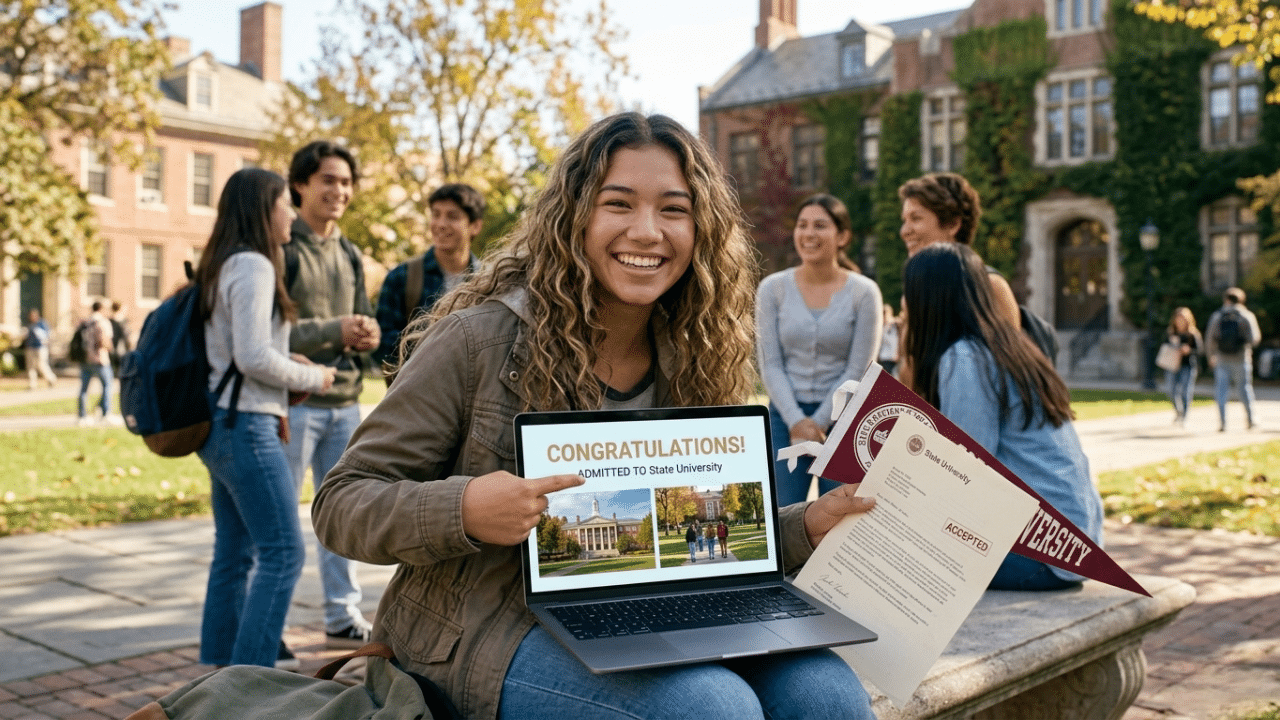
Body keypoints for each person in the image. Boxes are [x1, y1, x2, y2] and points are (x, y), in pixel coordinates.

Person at [311, 112, 877, 720]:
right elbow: (341, 502)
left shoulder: (697, 350)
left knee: (826, 691)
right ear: (576, 214)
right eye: (619, 204)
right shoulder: (481, 339)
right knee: (711, 708)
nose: (647, 231)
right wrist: (467, 507)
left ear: (702, 228)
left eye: (673, 209)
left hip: (659, 607)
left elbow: (690, 529)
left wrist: (803, 526)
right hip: (489, 629)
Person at [192, 168, 335, 669]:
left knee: (234, 553)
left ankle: (219, 674)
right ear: (261, 208)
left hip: (222, 422)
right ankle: (252, 675)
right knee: (283, 553)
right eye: (284, 203)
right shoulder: (252, 264)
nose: (292, 213)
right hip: (246, 425)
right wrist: (314, 379)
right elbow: (253, 357)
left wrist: (290, 368)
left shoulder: (224, 263)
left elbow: (242, 354)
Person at [902, 242, 1103, 591]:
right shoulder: (1009, 342)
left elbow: (965, 468)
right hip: (1076, 543)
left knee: (898, 546)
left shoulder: (965, 359)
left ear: (927, 300)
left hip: (1043, 555)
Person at [282, 140, 381, 649]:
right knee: (279, 523)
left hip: (345, 403)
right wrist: (333, 330)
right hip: (294, 406)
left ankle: (343, 614)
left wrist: (369, 333)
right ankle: (268, 626)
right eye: (328, 180)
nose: (339, 190)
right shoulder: (282, 247)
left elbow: (363, 316)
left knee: (339, 514)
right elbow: (268, 334)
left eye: (346, 182)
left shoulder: (349, 251)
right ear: (301, 184)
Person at [755, 193, 883, 506]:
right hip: (784, 417)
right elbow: (770, 364)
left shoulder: (864, 293)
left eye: (820, 226)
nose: (809, 234)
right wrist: (797, 421)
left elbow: (859, 368)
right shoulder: (772, 288)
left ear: (843, 236)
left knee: (839, 515)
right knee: (785, 512)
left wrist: (819, 423)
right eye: (802, 225)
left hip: (845, 418)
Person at [374, 183, 483, 381]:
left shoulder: (489, 282)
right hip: (415, 398)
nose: (440, 224)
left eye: (452, 216)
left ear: (475, 225)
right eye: (435, 214)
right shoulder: (402, 277)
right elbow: (382, 344)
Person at [1206, 287, 1262, 432]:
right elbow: (1255, 338)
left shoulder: (1218, 315)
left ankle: (1223, 423)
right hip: (1241, 358)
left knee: (1221, 391)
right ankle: (1251, 420)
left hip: (1221, 358)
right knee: (1245, 389)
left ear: (1226, 299)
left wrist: (1211, 355)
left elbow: (1210, 338)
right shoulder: (1246, 315)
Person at [76, 300, 115, 426]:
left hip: (84, 359)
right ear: (102, 308)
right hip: (100, 360)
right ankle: (105, 413)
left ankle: (82, 416)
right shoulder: (103, 322)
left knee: (84, 389)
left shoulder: (85, 322)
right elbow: (105, 341)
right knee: (107, 386)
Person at [1165, 307, 1201, 427]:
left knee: (1186, 391)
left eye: (1183, 319)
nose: (1180, 321)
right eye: (1178, 318)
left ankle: (1184, 416)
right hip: (1172, 365)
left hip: (1188, 365)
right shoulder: (1171, 333)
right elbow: (1163, 348)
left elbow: (1199, 351)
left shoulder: (1192, 334)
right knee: (1171, 390)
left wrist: (1189, 350)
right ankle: (1178, 411)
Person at [22, 308, 57, 390]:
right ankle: (32, 384)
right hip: (30, 347)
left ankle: (51, 379)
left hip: (40, 347)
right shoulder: (29, 325)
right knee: (30, 367)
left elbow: (48, 334)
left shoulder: (42, 323)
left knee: (41, 364)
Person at [107, 300, 131, 373]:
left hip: (112, 345)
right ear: (120, 308)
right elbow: (126, 335)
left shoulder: (109, 320)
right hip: (121, 346)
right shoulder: (123, 320)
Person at [878, 303, 900, 377]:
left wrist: (896, 354)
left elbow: (894, 342)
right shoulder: (883, 327)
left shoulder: (894, 326)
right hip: (884, 358)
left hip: (891, 358)